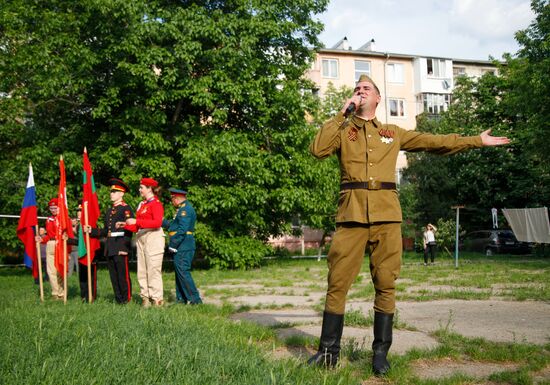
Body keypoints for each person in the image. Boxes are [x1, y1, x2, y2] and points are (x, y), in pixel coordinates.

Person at [308, 74, 510, 374]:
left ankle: (380, 355)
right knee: (337, 283)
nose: (360, 92)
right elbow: (317, 149)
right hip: (350, 216)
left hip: (387, 217)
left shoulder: (393, 132)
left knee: (386, 284)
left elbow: (435, 142)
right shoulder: (342, 130)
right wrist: (341, 112)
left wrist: (475, 141)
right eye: (356, 89)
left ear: (377, 98)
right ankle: (328, 353)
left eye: (366, 89)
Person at [85, 178, 134, 304]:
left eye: (114, 192)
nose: (111, 194)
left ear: (121, 194)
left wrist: (125, 247)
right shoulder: (109, 211)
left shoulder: (126, 209)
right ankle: (118, 299)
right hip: (110, 246)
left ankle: (126, 299)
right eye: (111, 192)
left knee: (122, 276)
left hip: (121, 245)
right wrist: (92, 230)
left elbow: (130, 229)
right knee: (113, 276)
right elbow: (106, 231)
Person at [122, 177, 165, 307]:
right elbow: (137, 226)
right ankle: (145, 297)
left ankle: (157, 299)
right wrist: (124, 225)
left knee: (153, 269)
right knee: (142, 270)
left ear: (149, 189)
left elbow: (157, 223)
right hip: (141, 237)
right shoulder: (142, 205)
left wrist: (137, 222)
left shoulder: (156, 204)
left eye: (142, 187)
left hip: (153, 237)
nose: (139, 190)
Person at [162, 188, 202, 305]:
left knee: (183, 272)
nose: (171, 201)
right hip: (182, 245)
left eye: (172, 199)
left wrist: (173, 244)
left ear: (177, 198)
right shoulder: (182, 209)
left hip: (183, 245)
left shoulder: (185, 210)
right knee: (180, 272)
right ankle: (181, 299)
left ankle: (195, 300)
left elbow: (182, 230)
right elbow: (174, 225)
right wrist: (162, 221)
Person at [67, 204, 98, 302]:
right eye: (78, 210)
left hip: (91, 253)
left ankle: (91, 296)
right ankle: (83, 295)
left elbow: (95, 238)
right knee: (82, 276)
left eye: (80, 210)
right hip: (82, 253)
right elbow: (80, 242)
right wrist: (68, 240)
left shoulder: (91, 223)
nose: (78, 212)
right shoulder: (78, 226)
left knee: (91, 276)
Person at [36, 198, 64, 300]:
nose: (53, 210)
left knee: (59, 271)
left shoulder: (63, 218)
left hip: (60, 244)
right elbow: (48, 235)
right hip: (50, 244)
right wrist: (41, 239)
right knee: (51, 271)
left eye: (55, 207)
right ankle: (55, 293)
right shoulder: (49, 220)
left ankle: (62, 293)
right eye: (51, 208)